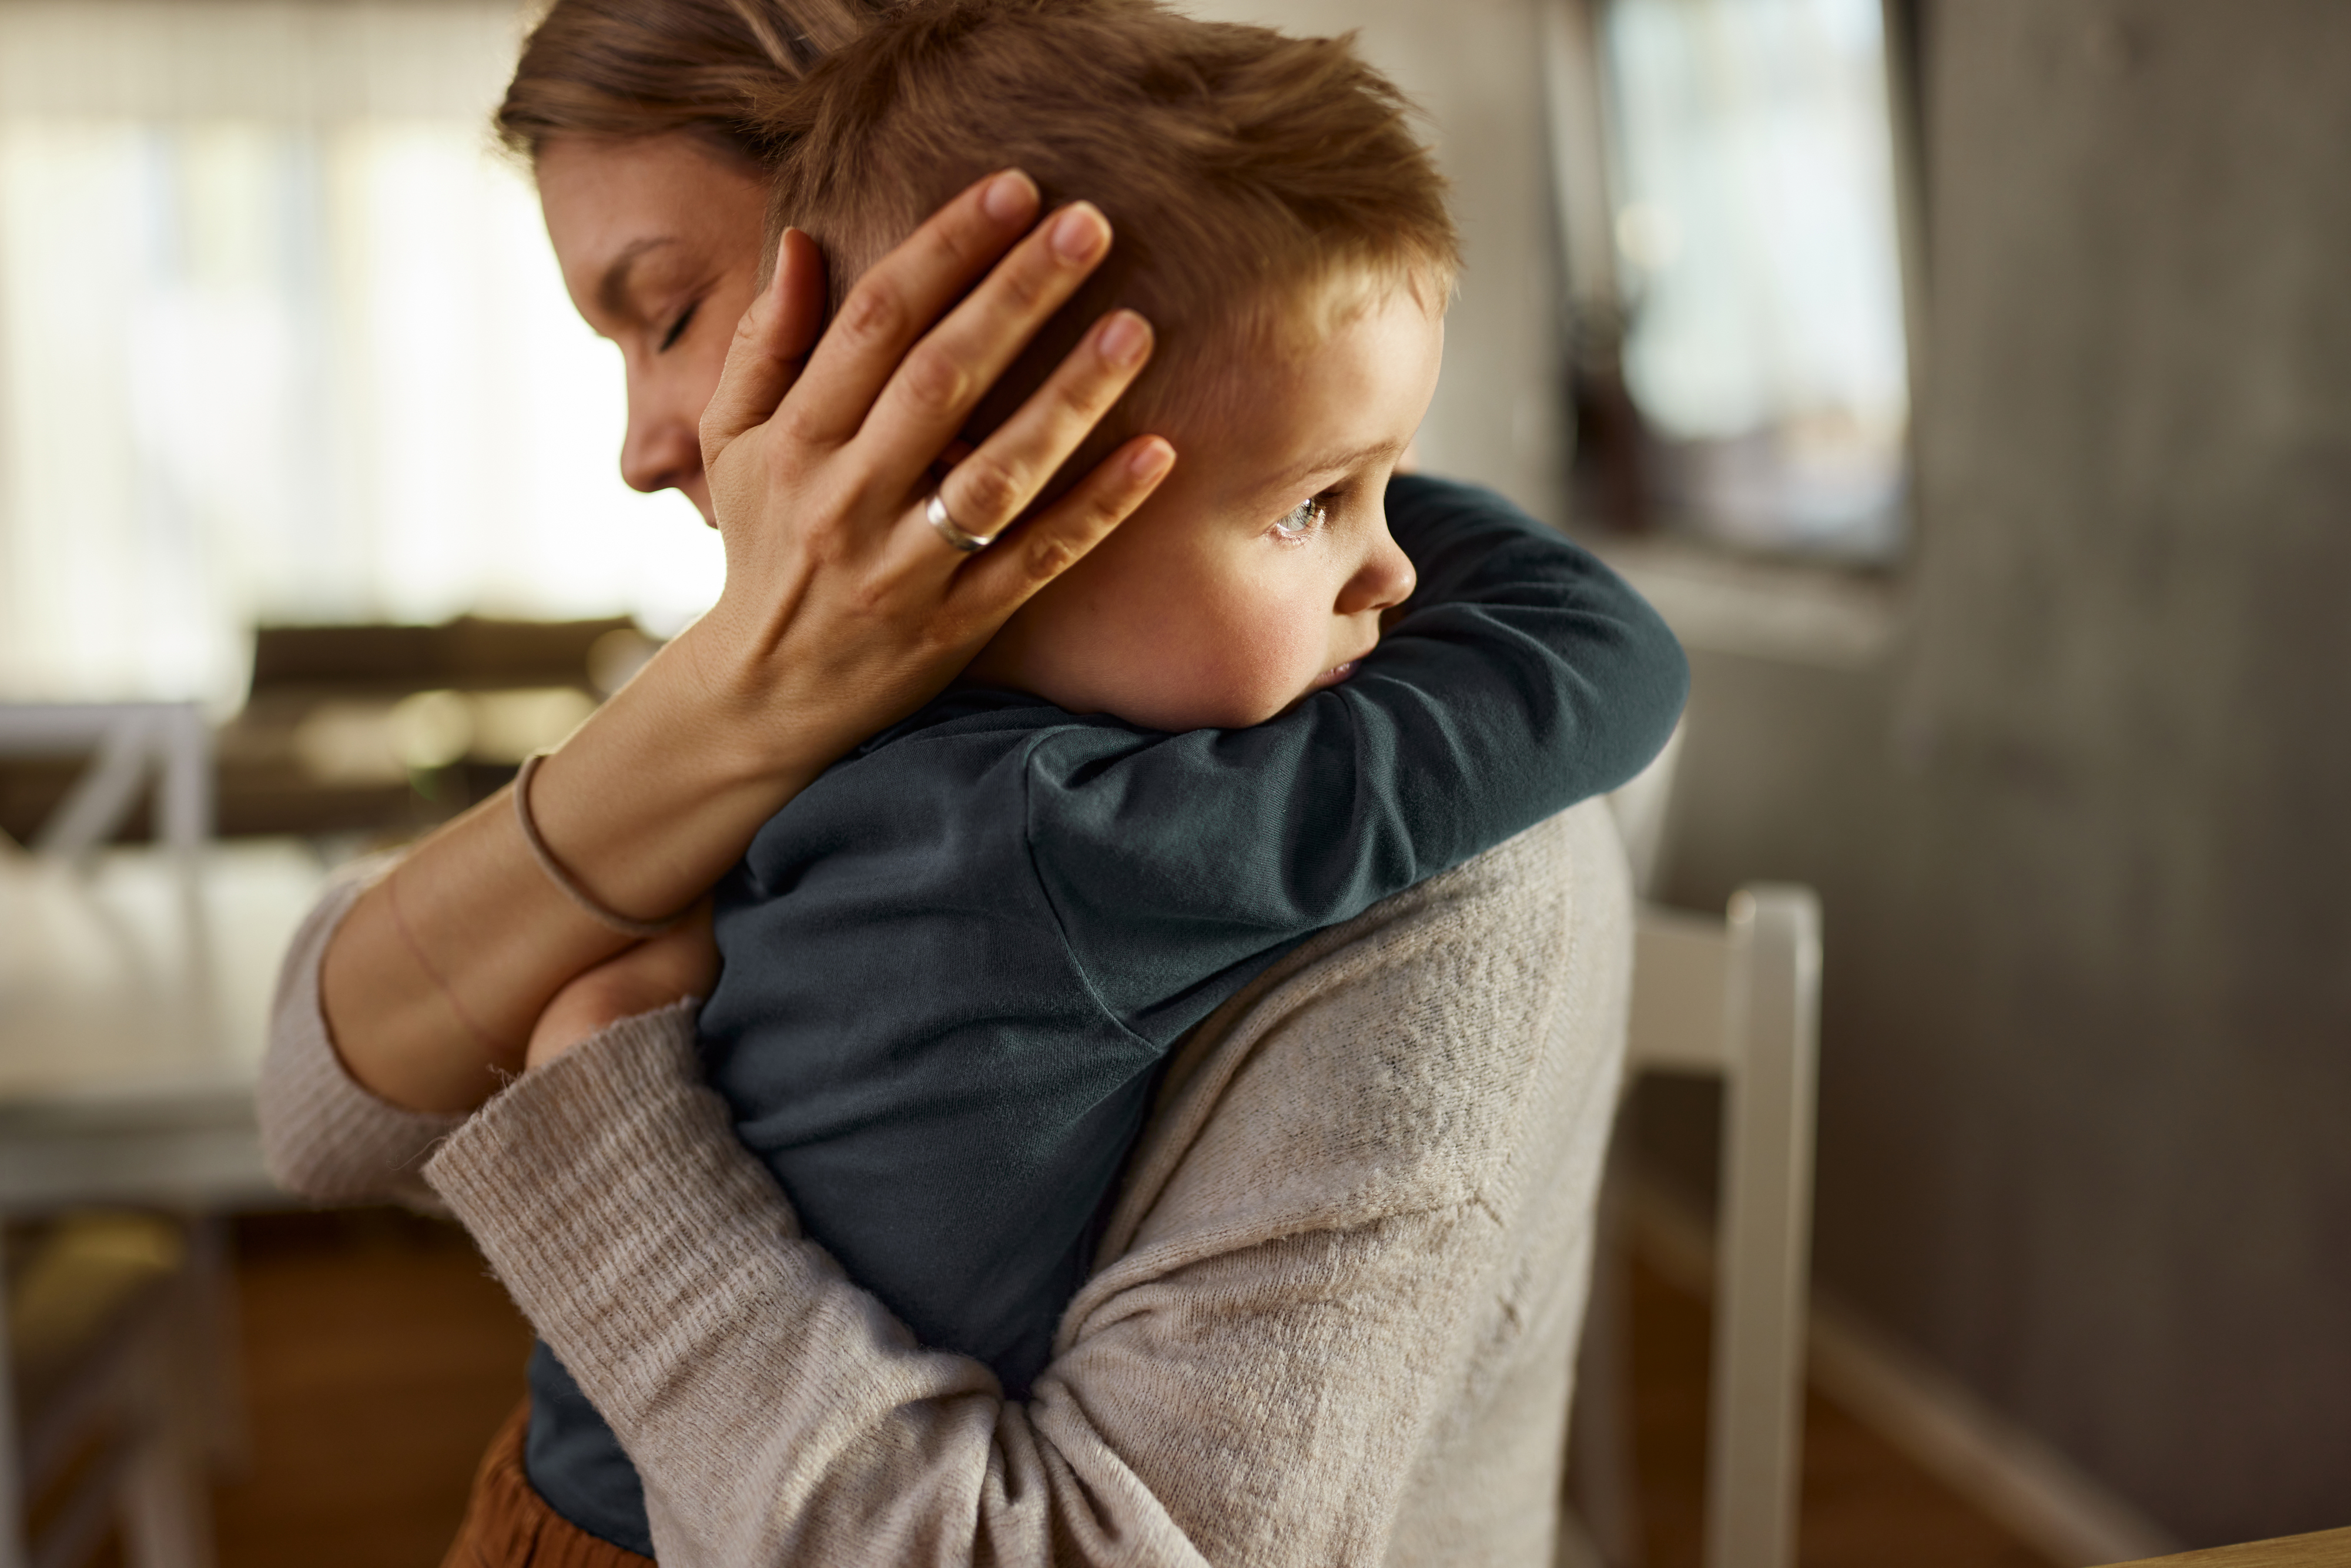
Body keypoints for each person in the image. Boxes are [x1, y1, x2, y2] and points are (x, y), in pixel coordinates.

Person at [254, 0, 1686, 1560]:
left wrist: (604, 1111)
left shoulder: (1403, 815)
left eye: (667, 312)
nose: (641, 444)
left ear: (974, 306)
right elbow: (323, 1106)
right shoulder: (913, 680)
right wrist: (734, 699)